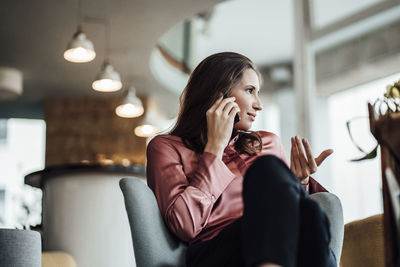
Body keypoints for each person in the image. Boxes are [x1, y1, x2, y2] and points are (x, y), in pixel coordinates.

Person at [146, 52, 337, 267]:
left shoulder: (268, 143)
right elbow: (185, 226)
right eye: (250, 91)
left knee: (309, 211)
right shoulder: (166, 147)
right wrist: (214, 149)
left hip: (277, 250)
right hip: (215, 253)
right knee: (268, 169)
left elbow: (299, 222)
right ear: (219, 97)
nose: (258, 105)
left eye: (258, 93)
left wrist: (299, 182)